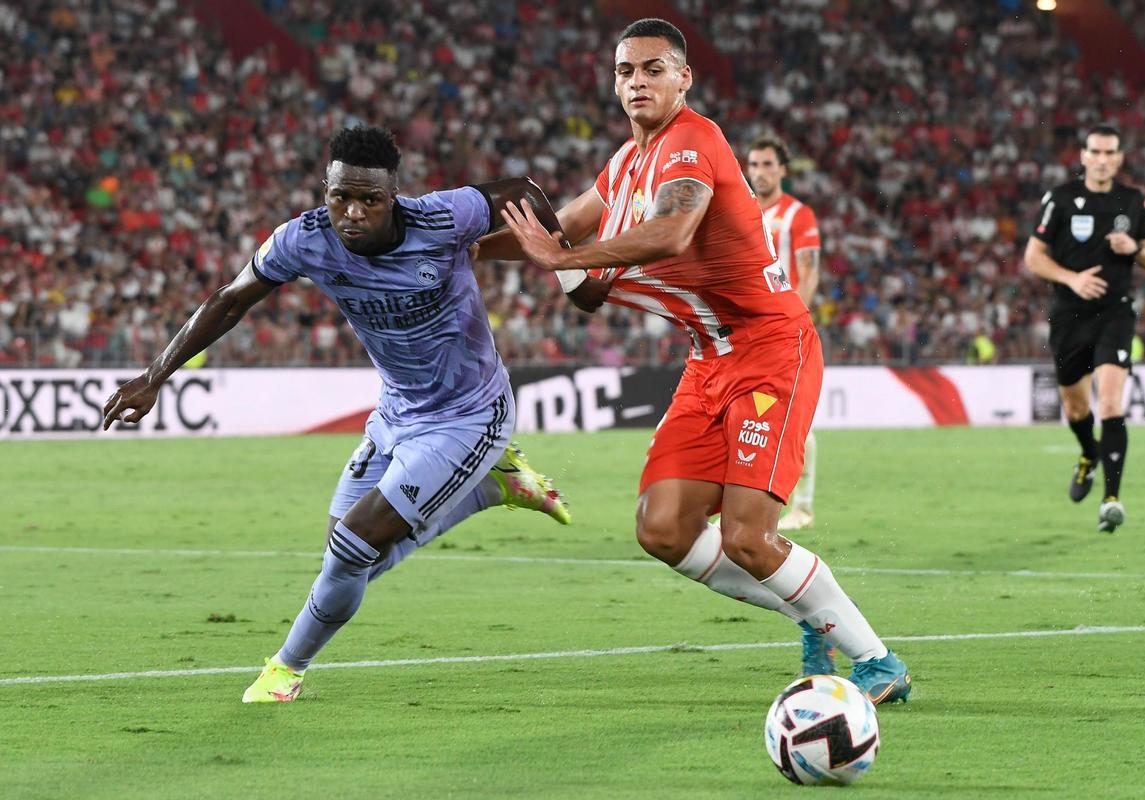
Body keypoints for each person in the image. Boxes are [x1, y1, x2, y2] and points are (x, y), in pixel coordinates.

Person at [486, 19, 910, 702]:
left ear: (684, 77)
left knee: (748, 536)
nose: (637, 82)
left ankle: (878, 661)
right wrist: (454, 250)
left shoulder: (696, 141)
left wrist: (562, 258)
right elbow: (551, 230)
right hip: (707, 361)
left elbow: (672, 229)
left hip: (772, 349)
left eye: (653, 69)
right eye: (626, 71)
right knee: (662, 528)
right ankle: (814, 616)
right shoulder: (622, 166)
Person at [102, 125, 571, 703]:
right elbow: (230, 300)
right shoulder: (304, 239)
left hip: (469, 414)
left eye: (369, 200)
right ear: (325, 190)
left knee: (353, 547)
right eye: (339, 196)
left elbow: (521, 190)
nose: (352, 213)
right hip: (397, 411)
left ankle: (285, 670)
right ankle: (491, 488)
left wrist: (568, 267)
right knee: (344, 555)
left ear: (392, 197)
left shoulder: (444, 218)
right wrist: (155, 376)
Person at [1024, 124, 1145, 533]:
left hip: (1116, 313)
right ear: (1083, 156)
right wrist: (1072, 279)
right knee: (1076, 407)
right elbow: (1033, 257)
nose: (1103, 160)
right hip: (1069, 312)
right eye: (1096, 152)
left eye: (1110, 153)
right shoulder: (1061, 198)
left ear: (1119, 158)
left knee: (1111, 404)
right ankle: (1089, 453)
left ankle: (1111, 499)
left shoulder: (1134, 201)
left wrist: (1135, 249)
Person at [746, 137, 821, 531]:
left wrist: (795, 321)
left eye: (767, 164)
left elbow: (808, 271)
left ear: (782, 170)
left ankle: (803, 507)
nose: (759, 171)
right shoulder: (741, 211)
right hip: (746, 331)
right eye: (754, 164)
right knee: (748, 414)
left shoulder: (798, 215)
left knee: (792, 418)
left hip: (783, 330)